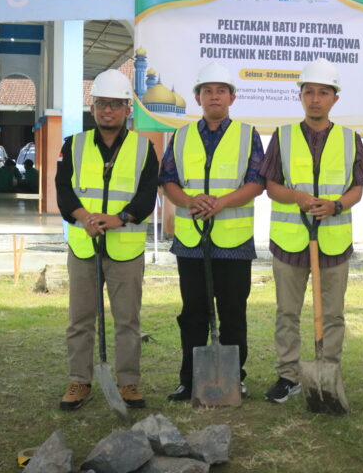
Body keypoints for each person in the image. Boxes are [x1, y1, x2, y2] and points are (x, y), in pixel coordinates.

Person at [260, 58, 363, 403]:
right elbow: (270, 186)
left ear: (334, 99)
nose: (315, 98)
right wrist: (297, 197)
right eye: (308, 91)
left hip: (334, 243)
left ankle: (327, 372)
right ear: (301, 96)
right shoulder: (283, 136)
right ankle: (289, 375)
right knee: (287, 313)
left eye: (323, 92)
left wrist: (336, 205)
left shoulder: (350, 139)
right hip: (290, 241)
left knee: (333, 314)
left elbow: (358, 188)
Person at [159, 61, 265, 401]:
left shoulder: (248, 136)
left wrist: (220, 203)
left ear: (232, 98)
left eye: (221, 90)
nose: (214, 96)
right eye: (207, 91)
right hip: (192, 241)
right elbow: (168, 182)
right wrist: (191, 200)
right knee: (193, 313)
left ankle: (235, 376)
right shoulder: (181, 136)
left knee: (233, 311)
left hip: (233, 242)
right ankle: (189, 379)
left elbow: (256, 183)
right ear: (197, 97)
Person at [54, 69, 158, 410]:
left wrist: (119, 218)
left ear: (128, 108)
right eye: (101, 103)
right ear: (93, 106)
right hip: (84, 248)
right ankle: (78, 381)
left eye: (115, 104)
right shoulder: (74, 145)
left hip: (125, 250)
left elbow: (146, 195)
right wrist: (84, 218)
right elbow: (64, 191)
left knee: (128, 320)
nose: (107, 110)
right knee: (80, 319)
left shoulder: (144, 149)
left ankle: (128, 383)